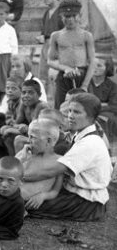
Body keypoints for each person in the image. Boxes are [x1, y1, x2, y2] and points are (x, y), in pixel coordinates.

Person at [22, 93, 112, 221]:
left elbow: (51, 171)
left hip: (86, 202)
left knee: (25, 202)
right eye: (69, 111)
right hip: (74, 191)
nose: (70, 116)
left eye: (77, 112)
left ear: (91, 116)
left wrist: (17, 176)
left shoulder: (90, 143)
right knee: (20, 193)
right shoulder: (81, 135)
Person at [48, 0, 96, 107]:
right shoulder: (56, 36)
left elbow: (92, 61)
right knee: (62, 107)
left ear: (79, 16)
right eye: (67, 16)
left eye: (74, 16)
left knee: (86, 109)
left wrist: (84, 85)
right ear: (61, 16)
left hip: (83, 75)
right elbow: (50, 60)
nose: (70, 19)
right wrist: (65, 68)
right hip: (64, 76)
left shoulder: (86, 35)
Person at [14, 119, 63, 210]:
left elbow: (55, 191)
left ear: (49, 141)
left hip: (22, 202)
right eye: (28, 136)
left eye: (32, 137)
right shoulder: (25, 154)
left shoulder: (59, 162)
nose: (28, 140)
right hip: (9, 193)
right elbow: (7, 170)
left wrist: (43, 196)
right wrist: (21, 159)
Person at [1, 80, 48, 156]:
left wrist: (11, 129)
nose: (26, 95)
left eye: (30, 92)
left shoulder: (41, 106)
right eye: (24, 92)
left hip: (44, 139)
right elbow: (16, 123)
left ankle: (20, 164)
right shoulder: (24, 105)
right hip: (32, 134)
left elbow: (32, 130)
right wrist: (20, 126)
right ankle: (13, 160)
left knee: (18, 139)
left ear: (39, 95)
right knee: (6, 132)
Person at [36, 0, 64, 86]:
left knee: (55, 79)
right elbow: (44, 32)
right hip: (45, 48)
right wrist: (41, 37)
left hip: (58, 49)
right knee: (42, 79)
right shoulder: (46, 13)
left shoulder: (63, 11)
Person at [88, 57, 117, 141]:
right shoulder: (85, 82)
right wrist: (102, 104)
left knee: (107, 119)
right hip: (86, 111)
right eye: (93, 65)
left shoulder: (112, 86)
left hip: (106, 114)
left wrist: (94, 105)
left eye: (99, 65)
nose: (95, 68)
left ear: (107, 68)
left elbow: (114, 107)